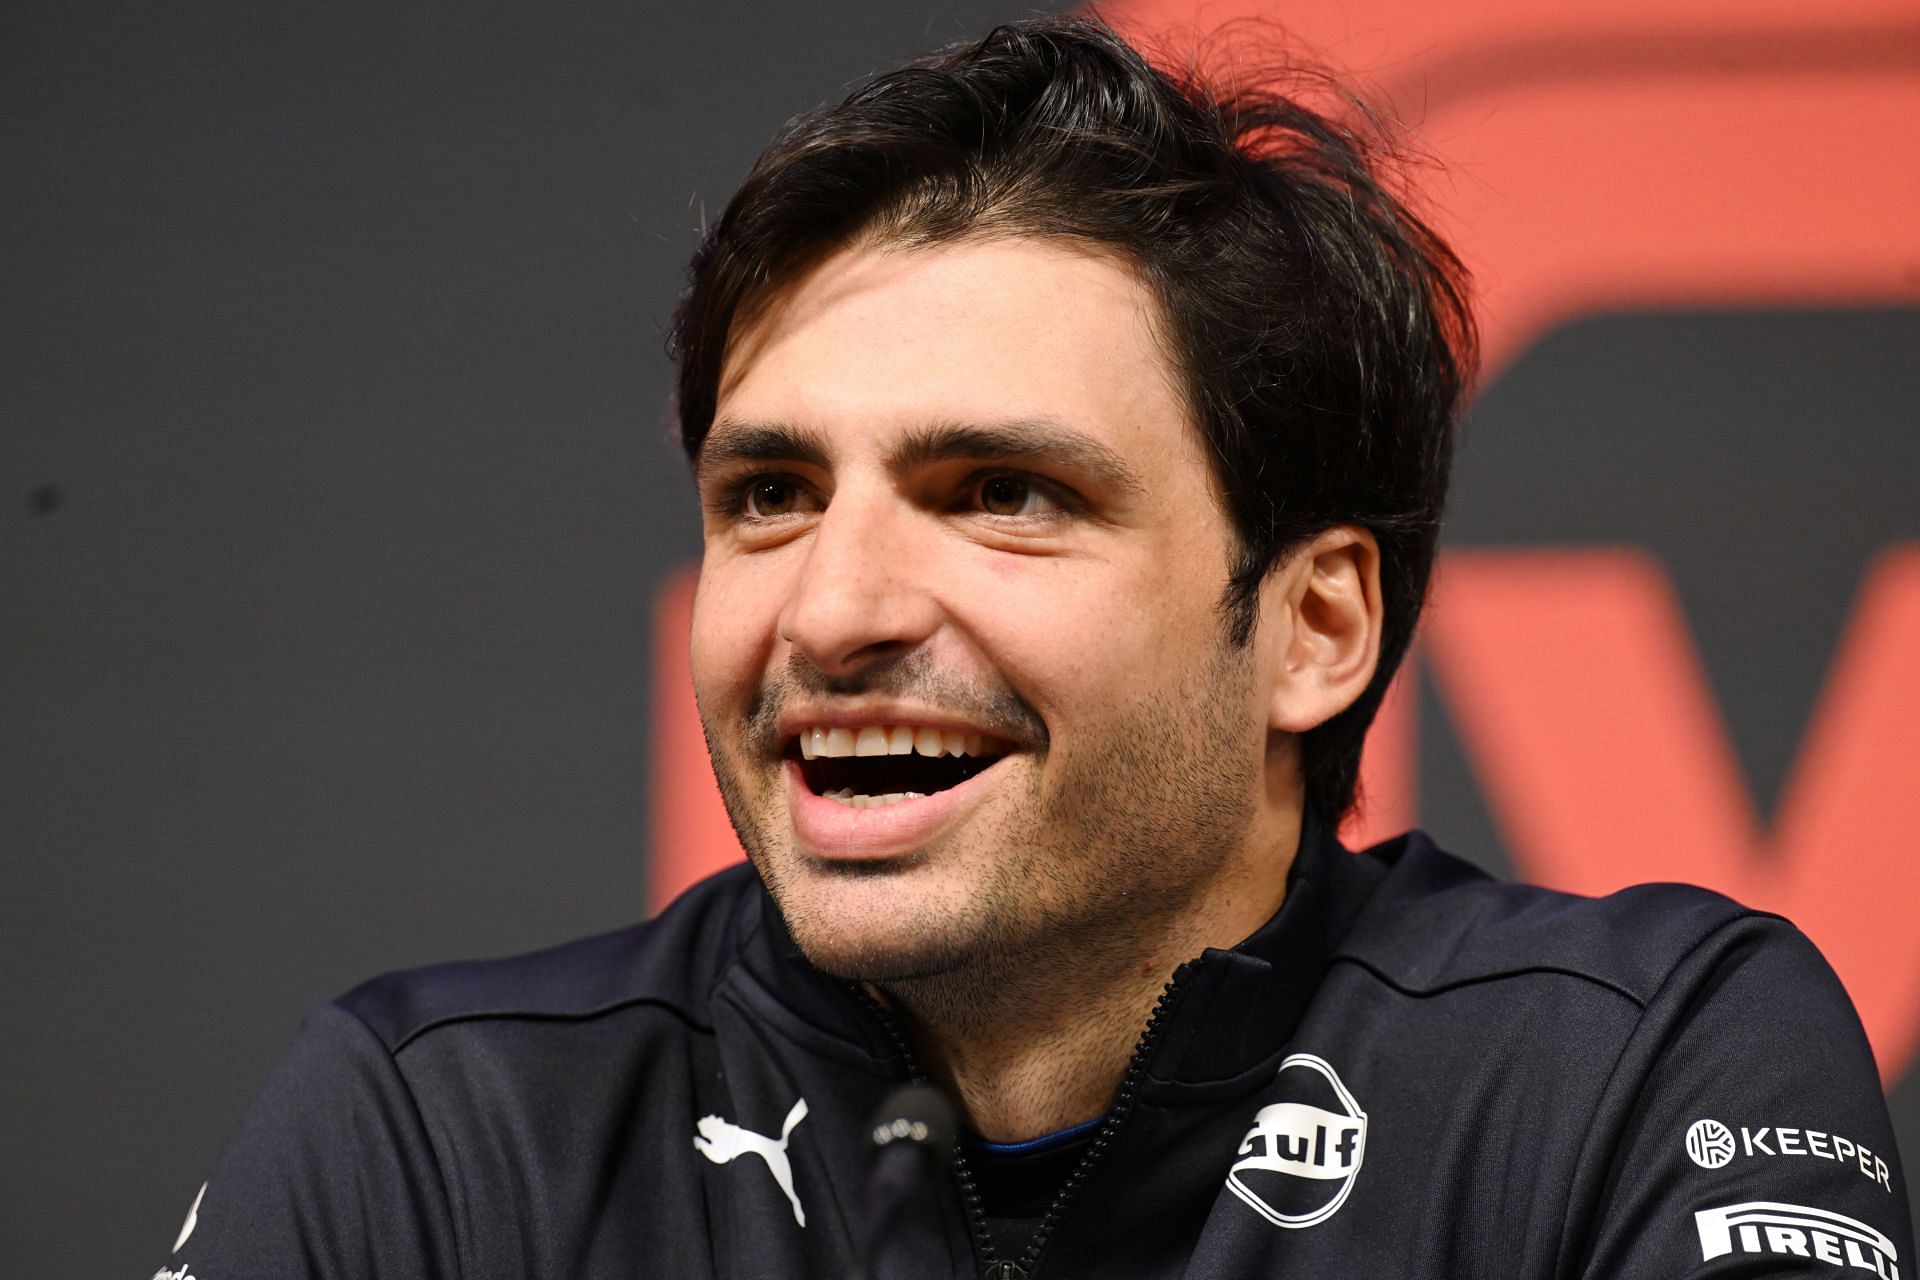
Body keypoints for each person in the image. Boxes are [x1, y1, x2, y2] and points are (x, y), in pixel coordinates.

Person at [152, 16, 1910, 1280]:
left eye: (999, 492)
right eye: (769, 494)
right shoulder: (442, 1139)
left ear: (1314, 628)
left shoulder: (1628, 1071)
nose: (830, 611)